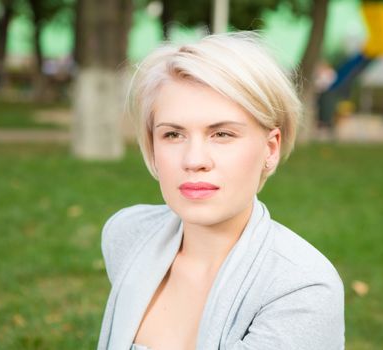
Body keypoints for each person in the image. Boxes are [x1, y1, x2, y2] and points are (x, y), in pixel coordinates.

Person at [97, 32, 344, 350]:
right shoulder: (127, 235)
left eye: (222, 134)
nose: (194, 160)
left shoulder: (302, 288)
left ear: (270, 149)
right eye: (173, 134)